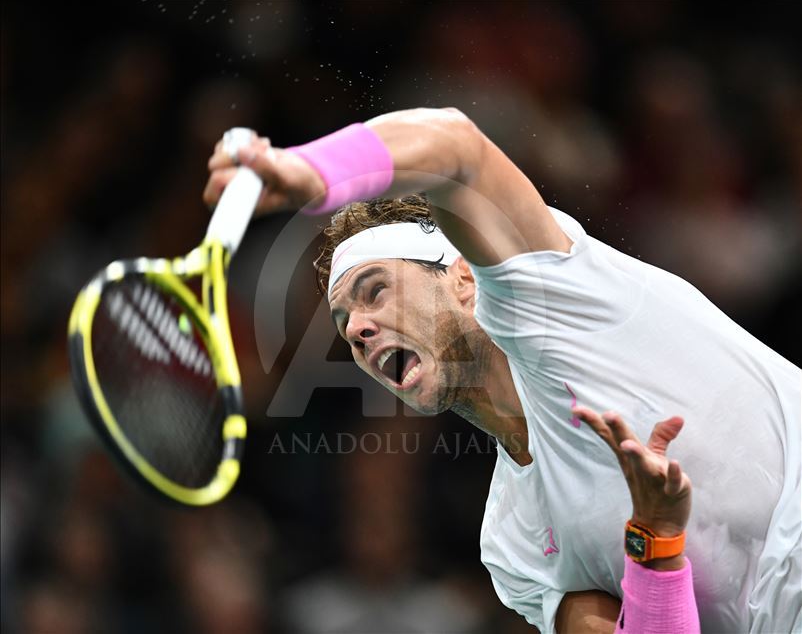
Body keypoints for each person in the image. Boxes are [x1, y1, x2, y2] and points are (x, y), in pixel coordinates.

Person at [204, 108, 801, 632]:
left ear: (464, 280)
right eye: (344, 325)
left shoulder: (558, 306)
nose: (357, 331)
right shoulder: (514, 544)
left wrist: (313, 172)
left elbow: (458, 148)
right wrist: (654, 541)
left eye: (376, 290)